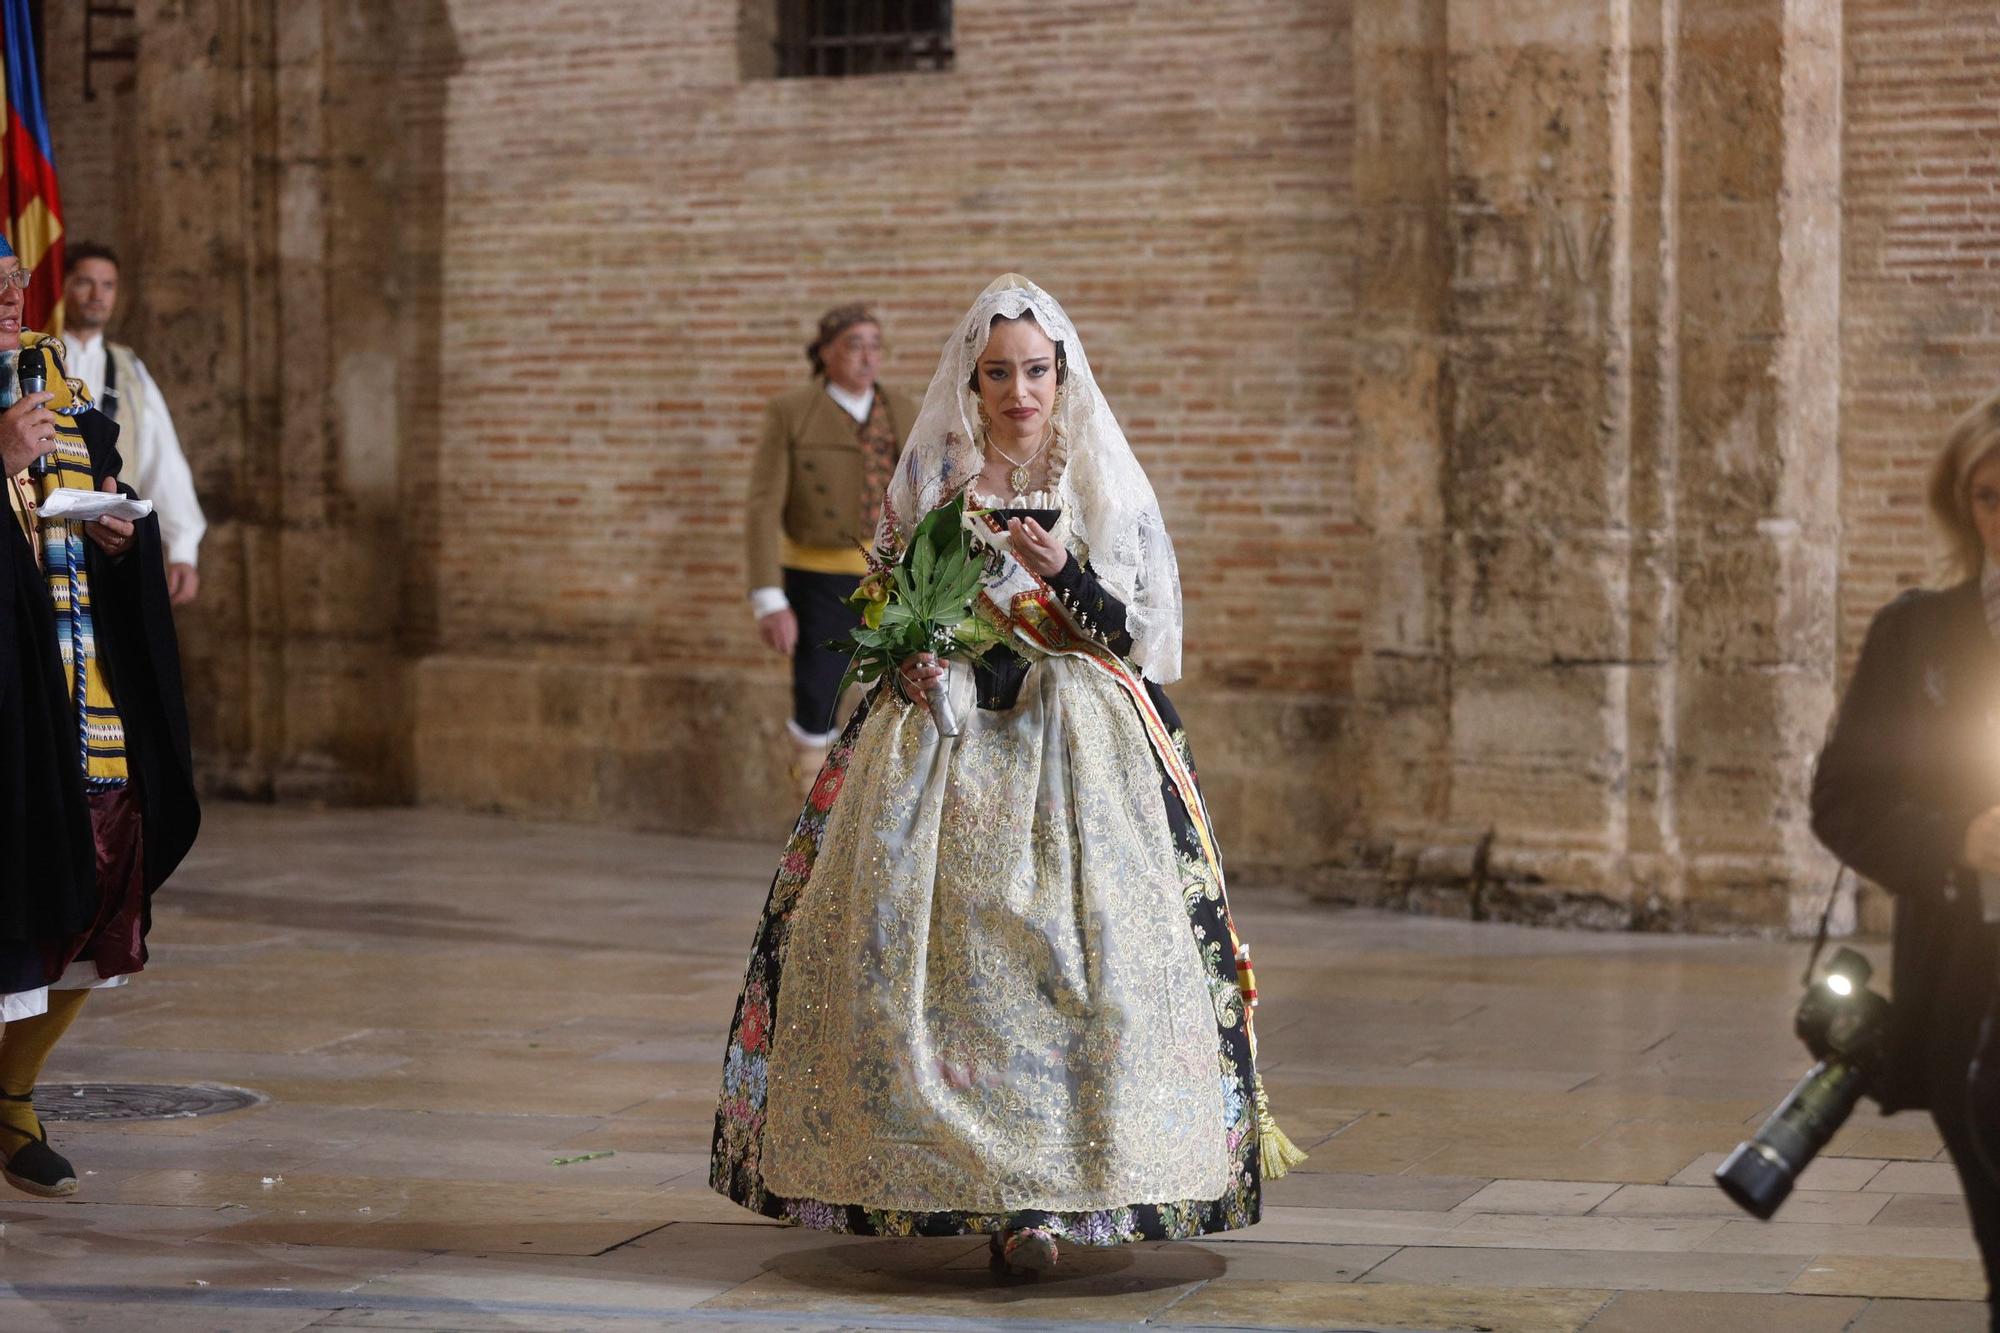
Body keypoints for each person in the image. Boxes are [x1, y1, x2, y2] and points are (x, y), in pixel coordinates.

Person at [711, 275, 1300, 1276]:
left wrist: (1062, 569)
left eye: (1034, 370)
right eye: (998, 373)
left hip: (1077, 745)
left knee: (1084, 967)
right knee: (922, 956)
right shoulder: (939, 476)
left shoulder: (1096, 478)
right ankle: (966, 1189)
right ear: (971, 382)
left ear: (1059, 373)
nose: (1018, 390)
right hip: (942, 748)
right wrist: (911, 656)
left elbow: (1132, 637)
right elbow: (892, 603)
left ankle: (1066, 1194)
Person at [0, 234, 200, 1197]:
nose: (10, 294)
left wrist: (121, 536)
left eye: (12, 278)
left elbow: (111, 475)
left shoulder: (52, 370)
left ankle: (12, 1092)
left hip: (78, 691)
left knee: (101, 881)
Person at [1812, 387, 2000, 1324]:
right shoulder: (1916, 633)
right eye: (1990, 495)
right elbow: (1844, 798)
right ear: (1962, 505)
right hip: (1970, 987)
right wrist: (1957, 839)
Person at [745, 304, 918, 791]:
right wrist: (768, 599)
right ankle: (809, 832)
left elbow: (923, 497)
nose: (868, 357)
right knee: (818, 700)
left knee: (898, 696)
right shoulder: (792, 412)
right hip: (816, 581)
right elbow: (762, 507)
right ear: (825, 353)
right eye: (854, 344)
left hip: (889, 578)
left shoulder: (902, 409)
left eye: (875, 345)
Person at [60, 242, 207, 607]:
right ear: (61, 285)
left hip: (109, 540)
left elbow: (162, 457)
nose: (98, 295)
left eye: (108, 285)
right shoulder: (33, 357)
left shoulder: (130, 369)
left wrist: (182, 548)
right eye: (85, 282)